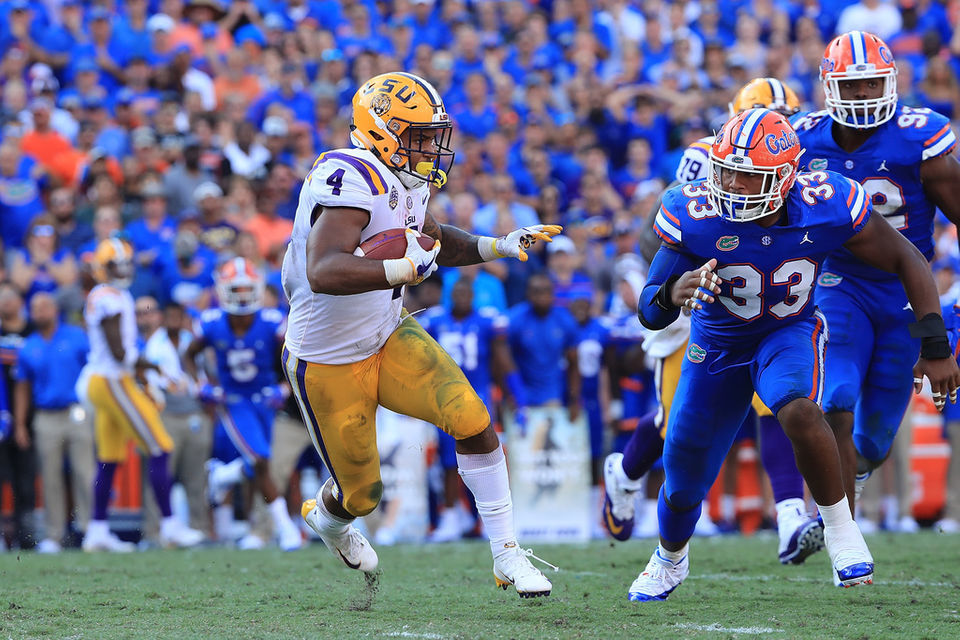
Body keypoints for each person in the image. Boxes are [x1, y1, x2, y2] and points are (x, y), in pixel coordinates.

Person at [628, 108, 959, 601]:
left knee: (801, 407)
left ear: (784, 177)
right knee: (682, 480)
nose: (733, 185)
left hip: (788, 331)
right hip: (716, 346)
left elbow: (906, 258)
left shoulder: (827, 202)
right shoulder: (692, 212)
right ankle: (670, 558)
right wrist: (673, 290)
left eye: (748, 175)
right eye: (727, 171)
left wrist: (934, 344)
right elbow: (649, 310)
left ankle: (843, 535)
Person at [281, 71, 561, 597]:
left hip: (387, 334)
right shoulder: (351, 175)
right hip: (327, 360)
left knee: (474, 419)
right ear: (382, 131)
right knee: (362, 495)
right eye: (419, 135)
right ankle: (329, 518)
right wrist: (401, 272)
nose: (431, 147)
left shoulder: (406, 178)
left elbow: (431, 239)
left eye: (433, 135)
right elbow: (324, 268)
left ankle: (507, 553)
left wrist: (499, 245)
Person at [605, 78, 820, 564]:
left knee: (778, 403)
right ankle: (624, 472)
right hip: (699, 299)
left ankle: (789, 515)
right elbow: (659, 237)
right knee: (672, 422)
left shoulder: (804, 167)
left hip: (766, 304)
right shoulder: (708, 159)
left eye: (785, 119)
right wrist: (686, 276)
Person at [792, 31, 960, 514]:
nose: (863, 94)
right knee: (834, 399)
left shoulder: (918, 138)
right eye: (852, 84)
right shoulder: (805, 142)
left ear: (889, 82)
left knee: (875, 439)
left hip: (909, 291)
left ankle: (855, 473)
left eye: (871, 84)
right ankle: (841, 532)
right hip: (837, 284)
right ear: (829, 86)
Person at [80, 239, 205, 552]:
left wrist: (155, 368)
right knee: (160, 446)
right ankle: (170, 527)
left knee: (109, 458)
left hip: (106, 379)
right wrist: (154, 367)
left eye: (125, 264)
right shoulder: (109, 297)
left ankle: (96, 531)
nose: (122, 270)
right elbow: (120, 353)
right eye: (115, 265)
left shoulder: (109, 294)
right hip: (113, 381)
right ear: (101, 267)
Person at [183, 258, 302, 551]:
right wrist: (200, 385)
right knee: (261, 459)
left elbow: (293, 356)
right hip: (234, 401)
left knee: (261, 462)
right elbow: (189, 355)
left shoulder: (272, 322)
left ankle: (226, 474)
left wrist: (284, 387)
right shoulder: (210, 323)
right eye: (234, 289)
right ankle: (286, 529)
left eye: (246, 289)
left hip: (265, 400)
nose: (240, 295)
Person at [420, 276, 527, 542]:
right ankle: (450, 515)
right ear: (450, 295)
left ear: (473, 296)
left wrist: (519, 399)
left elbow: (503, 361)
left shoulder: (487, 321)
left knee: (485, 459)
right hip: (444, 398)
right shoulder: (435, 321)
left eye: (466, 293)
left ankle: (486, 519)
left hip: (478, 396)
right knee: (448, 460)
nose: (461, 297)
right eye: (457, 292)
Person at [13, 293, 91, 554]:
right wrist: (21, 424)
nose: (39, 311)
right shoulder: (29, 345)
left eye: (44, 306)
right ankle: (53, 535)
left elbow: (92, 373)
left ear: (55, 309)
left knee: (84, 471)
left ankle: (90, 529)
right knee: (49, 476)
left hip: (76, 410)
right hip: (45, 414)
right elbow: (22, 387)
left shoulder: (77, 336)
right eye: (34, 308)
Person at [137, 298, 212, 545]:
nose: (172, 322)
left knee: (196, 477)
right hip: (166, 413)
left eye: (176, 318)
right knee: (160, 473)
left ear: (183, 319)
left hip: (194, 413)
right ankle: (154, 531)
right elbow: (147, 381)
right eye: (167, 317)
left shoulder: (193, 343)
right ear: (162, 318)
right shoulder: (153, 346)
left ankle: (198, 529)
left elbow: (207, 375)